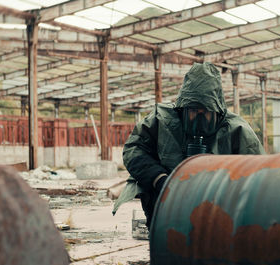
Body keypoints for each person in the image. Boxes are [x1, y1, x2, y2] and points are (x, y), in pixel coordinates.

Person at [113, 62, 265, 229]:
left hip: (218, 209)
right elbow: (133, 149)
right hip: (166, 204)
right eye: (193, 111)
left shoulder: (236, 129)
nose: (198, 118)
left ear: (217, 110)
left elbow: (260, 173)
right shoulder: (161, 120)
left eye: (205, 112)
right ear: (183, 108)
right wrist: (159, 179)